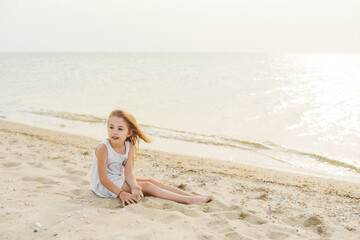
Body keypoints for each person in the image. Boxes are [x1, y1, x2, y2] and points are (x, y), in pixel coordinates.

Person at [90, 109, 213, 206]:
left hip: (117, 178)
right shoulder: (103, 149)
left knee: (151, 181)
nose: (114, 132)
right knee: (148, 187)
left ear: (129, 132)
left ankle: (191, 196)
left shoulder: (129, 145)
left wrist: (133, 186)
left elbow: (128, 172)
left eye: (120, 129)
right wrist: (122, 194)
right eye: (111, 127)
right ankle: (187, 200)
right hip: (103, 186)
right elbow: (103, 179)